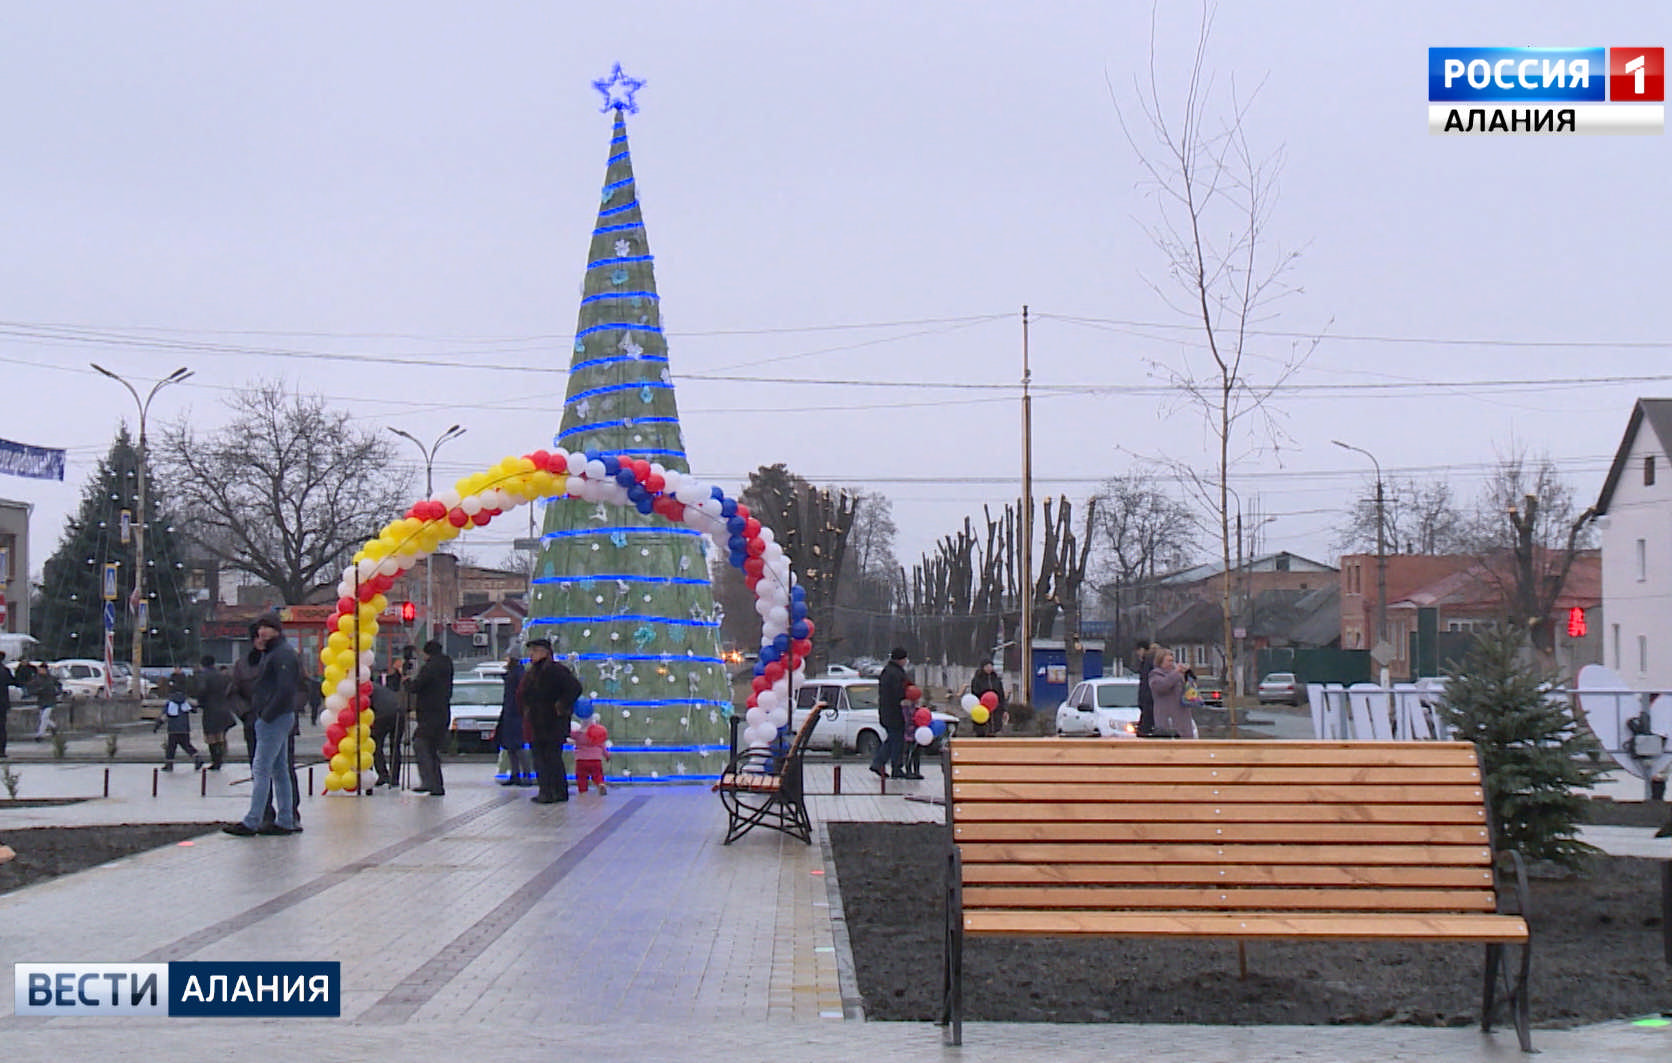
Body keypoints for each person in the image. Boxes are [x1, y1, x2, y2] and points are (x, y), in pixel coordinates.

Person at [224, 613, 300, 836]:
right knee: (279, 769)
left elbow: (286, 690)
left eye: (267, 627)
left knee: (262, 768)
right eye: (260, 628)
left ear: (277, 629)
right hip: (272, 716)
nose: (262, 632)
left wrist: (266, 714)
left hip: (272, 718)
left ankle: (252, 820)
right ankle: (285, 819)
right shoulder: (275, 652)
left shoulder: (281, 654)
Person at [518, 638, 582, 804]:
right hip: (537, 722)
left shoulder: (555, 670)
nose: (531, 655)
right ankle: (550, 790)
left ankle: (552, 792)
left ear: (544, 653)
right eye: (530, 651)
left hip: (552, 723)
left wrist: (561, 706)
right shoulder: (533, 672)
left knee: (549, 758)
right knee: (543, 758)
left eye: (534, 651)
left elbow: (574, 688)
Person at [407, 639, 454, 797]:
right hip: (442, 713)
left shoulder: (430, 667)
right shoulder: (446, 665)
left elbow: (417, 686)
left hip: (429, 713)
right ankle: (436, 785)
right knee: (432, 749)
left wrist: (407, 682)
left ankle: (428, 782)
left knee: (421, 745)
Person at [870, 647, 911, 781]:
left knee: (892, 740)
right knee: (896, 741)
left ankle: (881, 763)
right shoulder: (895, 673)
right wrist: (908, 693)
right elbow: (898, 692)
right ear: (900, 659)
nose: (906, 661)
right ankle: (892, 766)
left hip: (888, 712)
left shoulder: (890, 671)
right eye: (904, 658)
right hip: (894, 712)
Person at [153, 670, 204, 771]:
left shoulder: (171, 702)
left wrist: (157, 725)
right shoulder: (184, 701)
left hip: (173, 729)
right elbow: (193, 710)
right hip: (185, 728)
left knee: (171, 747)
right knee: (186, 745)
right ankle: (197, 757)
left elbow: (165, 715)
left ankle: (169, 764)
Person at [497, 649, 533, 787]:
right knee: (511, 746)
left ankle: (525, 775)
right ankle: (516, 774)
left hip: (516, 713)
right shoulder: (514, 673)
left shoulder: (518, 674)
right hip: (510, 712)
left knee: (517, 745)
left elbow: (520, 694)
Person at [192, 656, 235, 770]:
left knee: (211, 737)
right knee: (220, 736)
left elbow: (202, 691)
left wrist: (199, 702)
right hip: (223, 709)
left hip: (210, 709)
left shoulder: (204, 676)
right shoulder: (222, 676)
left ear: (203, 664)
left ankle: (215, 761)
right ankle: (219, 760)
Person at [1148, 648, 1196, 739]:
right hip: (1167, 718)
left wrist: (1188, 676)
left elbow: (1190, 691)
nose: (1171, 663)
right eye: (1168, 661)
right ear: (1160, 661)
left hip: (1183, 717)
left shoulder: (1178, 674)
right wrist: (1176, 673)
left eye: (1172, 661)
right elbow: (1161, 687)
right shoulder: (1155, 675)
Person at [369, 675, 405, 788]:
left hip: (382, 715)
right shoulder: (380, 688)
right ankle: (394, 778)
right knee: (395, 746)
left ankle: (383, 774)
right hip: (399, 713)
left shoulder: (366, 689)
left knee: (375, 745)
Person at [570, 721, 610, 795]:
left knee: (581, 777)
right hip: (596, 760)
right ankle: (600, 783)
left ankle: (583, 790)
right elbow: (603, 747)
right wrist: (607, 756)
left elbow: (568, 734)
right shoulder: (598, 735)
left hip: (581, 760)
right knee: (597, 774)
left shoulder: (579, 734)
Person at [969, 660, 1006, 737]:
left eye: (990, 666)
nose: (989, 668)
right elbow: (975, 694)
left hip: (995, 710)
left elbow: (1001, 695)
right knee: (982, 731)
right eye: (987, 666)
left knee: (994, 731)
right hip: (982, 709)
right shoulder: (977, 680)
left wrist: (1004, 709)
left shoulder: (996, 680)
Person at [29, 664, 62, 741]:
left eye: (43, 669)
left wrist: (58, 692)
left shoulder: (51, 678)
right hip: (41, 700)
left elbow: (59, 686)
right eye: (40, 669)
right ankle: (54, 727)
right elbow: (31, 688)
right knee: (43, 718)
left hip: (51, 700)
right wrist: (37, 691)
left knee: (44, 717)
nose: (41, 671)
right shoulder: (36, 679)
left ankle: (40, 735)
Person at [1134, 639, 1157, 737]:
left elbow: (1146, 685)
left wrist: (1143, 702)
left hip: (1148, 703)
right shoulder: (1149, 661)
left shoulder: (1148, 662)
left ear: (1142, 649)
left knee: (1144, 731)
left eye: (1138, 651)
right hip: (1148, 703)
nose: (1138, 654)